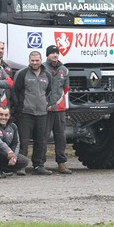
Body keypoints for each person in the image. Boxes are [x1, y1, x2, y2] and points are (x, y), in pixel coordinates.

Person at [12, 51, 52, 175]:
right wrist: (19, 108)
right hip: (25, 113)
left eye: (37, 60)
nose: (35, 63)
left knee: (41, 140)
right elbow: (15, 91)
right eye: (32, 60)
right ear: (29, 60)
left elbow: (49, 91)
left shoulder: (47, 75)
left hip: (42, 113)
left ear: (41, 60)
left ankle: (38, 166)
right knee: (23, 141)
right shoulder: (22, 73)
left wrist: (46, 105)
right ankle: (21, 166)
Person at [44, 45, 72, 174]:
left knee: (61, 137)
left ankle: (61, 163)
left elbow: (66, 88)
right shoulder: (42, 68)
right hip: (45, 109)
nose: (55, 55)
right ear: (47, 55)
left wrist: (58, 101)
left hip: (60, 110)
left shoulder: (64, 70)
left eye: (56, 53)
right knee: (43, 137)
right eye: (52, 53)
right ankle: (40, 163)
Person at [0, 106, 29, 178]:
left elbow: (16, 143)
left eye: (6, 115)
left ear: (9, 116)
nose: (3, 117)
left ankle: (2, 170)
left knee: (24, 161)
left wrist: (13, 156)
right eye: (1, 114)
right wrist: (8, 150)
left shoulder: (13, 126)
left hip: (6, 153)